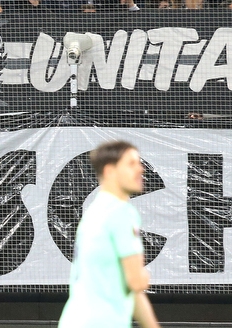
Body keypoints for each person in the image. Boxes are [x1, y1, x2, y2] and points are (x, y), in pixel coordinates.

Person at [58, 140, 160, 328]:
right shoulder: (120, 213)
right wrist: (142, 274)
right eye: (131, 164)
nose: (141, 169)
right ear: (110, 171)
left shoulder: (94, 213)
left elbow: (133, 292)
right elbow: (136, 281)